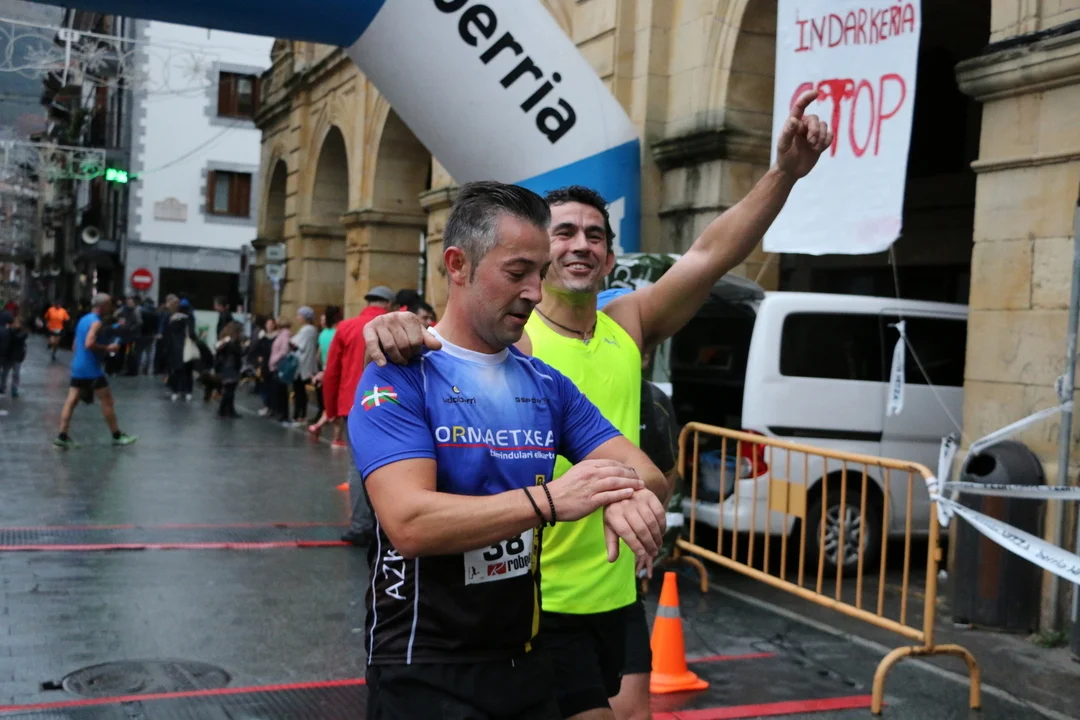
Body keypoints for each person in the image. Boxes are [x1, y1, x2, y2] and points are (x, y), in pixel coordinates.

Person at [361, 89, 832, 720]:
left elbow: (708, 256)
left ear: (610, 258)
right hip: (496, 622)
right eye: (559, 237)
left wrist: (784, 175)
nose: (576, 248)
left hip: (592, 597)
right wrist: (392, 328)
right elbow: (411, 519)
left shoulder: (608, 338)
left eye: (594, 235)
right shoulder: (477, 350)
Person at [348, 181, 666, 719]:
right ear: (458, 265)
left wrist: (624, 491)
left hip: (526, 659)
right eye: (517, 273)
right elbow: (410, 523)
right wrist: (550, 502)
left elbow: (644, 472)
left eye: (539, 273)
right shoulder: (400, 374)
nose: (535, 292)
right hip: (424, 667)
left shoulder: (548, 385)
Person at [321, 284, 393, 541]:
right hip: (390, 404)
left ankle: (362, 525)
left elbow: (332, 372)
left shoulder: (346, 327)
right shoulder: (392, 325)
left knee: (358, 465)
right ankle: (389, 525)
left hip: (352, 405)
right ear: (388, 304)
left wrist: (331, 409)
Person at [54, 294, 137, 448]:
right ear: (103, 305)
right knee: (107, 401)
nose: (111, 308)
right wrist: (108, 348)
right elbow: (89, 343)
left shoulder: (83, 320)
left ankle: (62, 436)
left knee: (71, 401)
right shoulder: (96, 322)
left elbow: (75, 345)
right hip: (91, 369)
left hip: (78, 366)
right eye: (109, 305)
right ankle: (117, 436)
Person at [308, 305, 342, 438]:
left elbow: (319, 354)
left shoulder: (322, 334)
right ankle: (334, 435)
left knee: (330, 403)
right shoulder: (338, 332)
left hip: (325, 369)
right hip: (337, 370)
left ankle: (318, 425)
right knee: (337, 404)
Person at [164, 297, 197, 402]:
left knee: (176, 370)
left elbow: (167, 334)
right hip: (186, 347)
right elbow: (191, 333)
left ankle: (175, 391)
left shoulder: (172, 318)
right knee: (188, 371)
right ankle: (188, 391)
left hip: (174, 348)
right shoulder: (189, 318)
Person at [290, 306, 319, 424]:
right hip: (305, 364)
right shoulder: (310, 329)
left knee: (299, 391)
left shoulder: (307, 330)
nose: (297, 317)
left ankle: (299, 416)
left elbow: (295, 343)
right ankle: (300, 415)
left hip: (302, 365)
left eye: (299, 315)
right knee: (299, 391)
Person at [215, 321, 245, 419]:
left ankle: (227, 410)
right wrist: (246, 346)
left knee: (228, 390)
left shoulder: (225, 340)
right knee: (230, 391)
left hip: (225, 367)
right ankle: (225, 410)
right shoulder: (232, 342)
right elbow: (240, 353)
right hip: (231, 367)